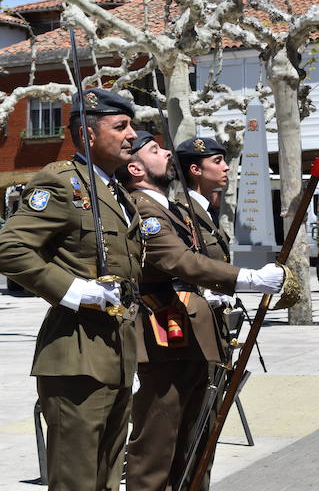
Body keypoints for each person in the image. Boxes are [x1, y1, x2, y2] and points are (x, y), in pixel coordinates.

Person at [120, 133, 286, 491]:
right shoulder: (142, 207)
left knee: (193, 443)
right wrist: (249, 278)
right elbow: (176, 260)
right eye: (155, 150)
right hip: (163, 330)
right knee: (158, 446)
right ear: (135, 168)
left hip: (191, 333)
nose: (166, 153)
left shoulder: (168, 207)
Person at [0, 89, 143, 491]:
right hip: (76, 352)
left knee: (107, 475)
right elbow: (9, 248)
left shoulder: (117, 193)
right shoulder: (61, 182)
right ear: (89, 134)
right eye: (121, 127)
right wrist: (76, 291)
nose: (132, 135)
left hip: (116, 351)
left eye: (131, 125)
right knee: (76, 480)